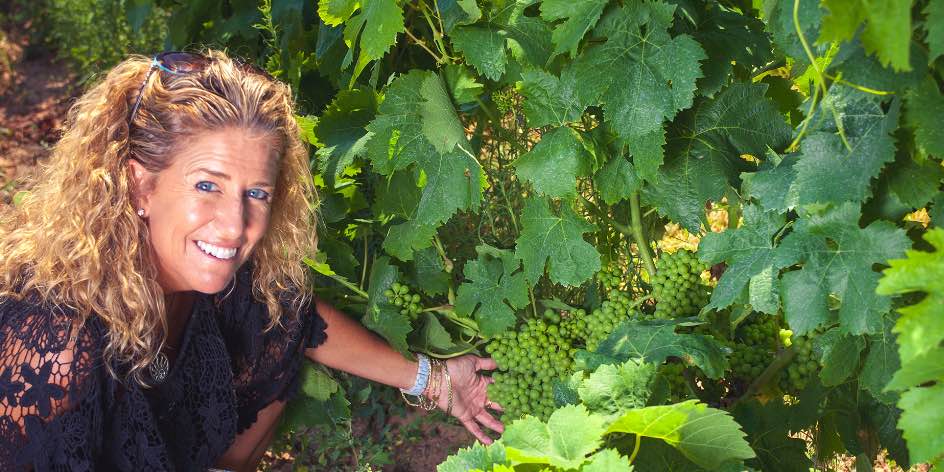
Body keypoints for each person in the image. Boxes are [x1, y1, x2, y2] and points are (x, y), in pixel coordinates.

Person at [0, 49, 503, 471]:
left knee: (272, 322)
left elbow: (300, 319)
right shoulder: (54, 352)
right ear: (140, 185)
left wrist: (436, 379)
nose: (236, 224)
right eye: (206, 185)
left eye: (256, 192)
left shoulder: (204, 279)